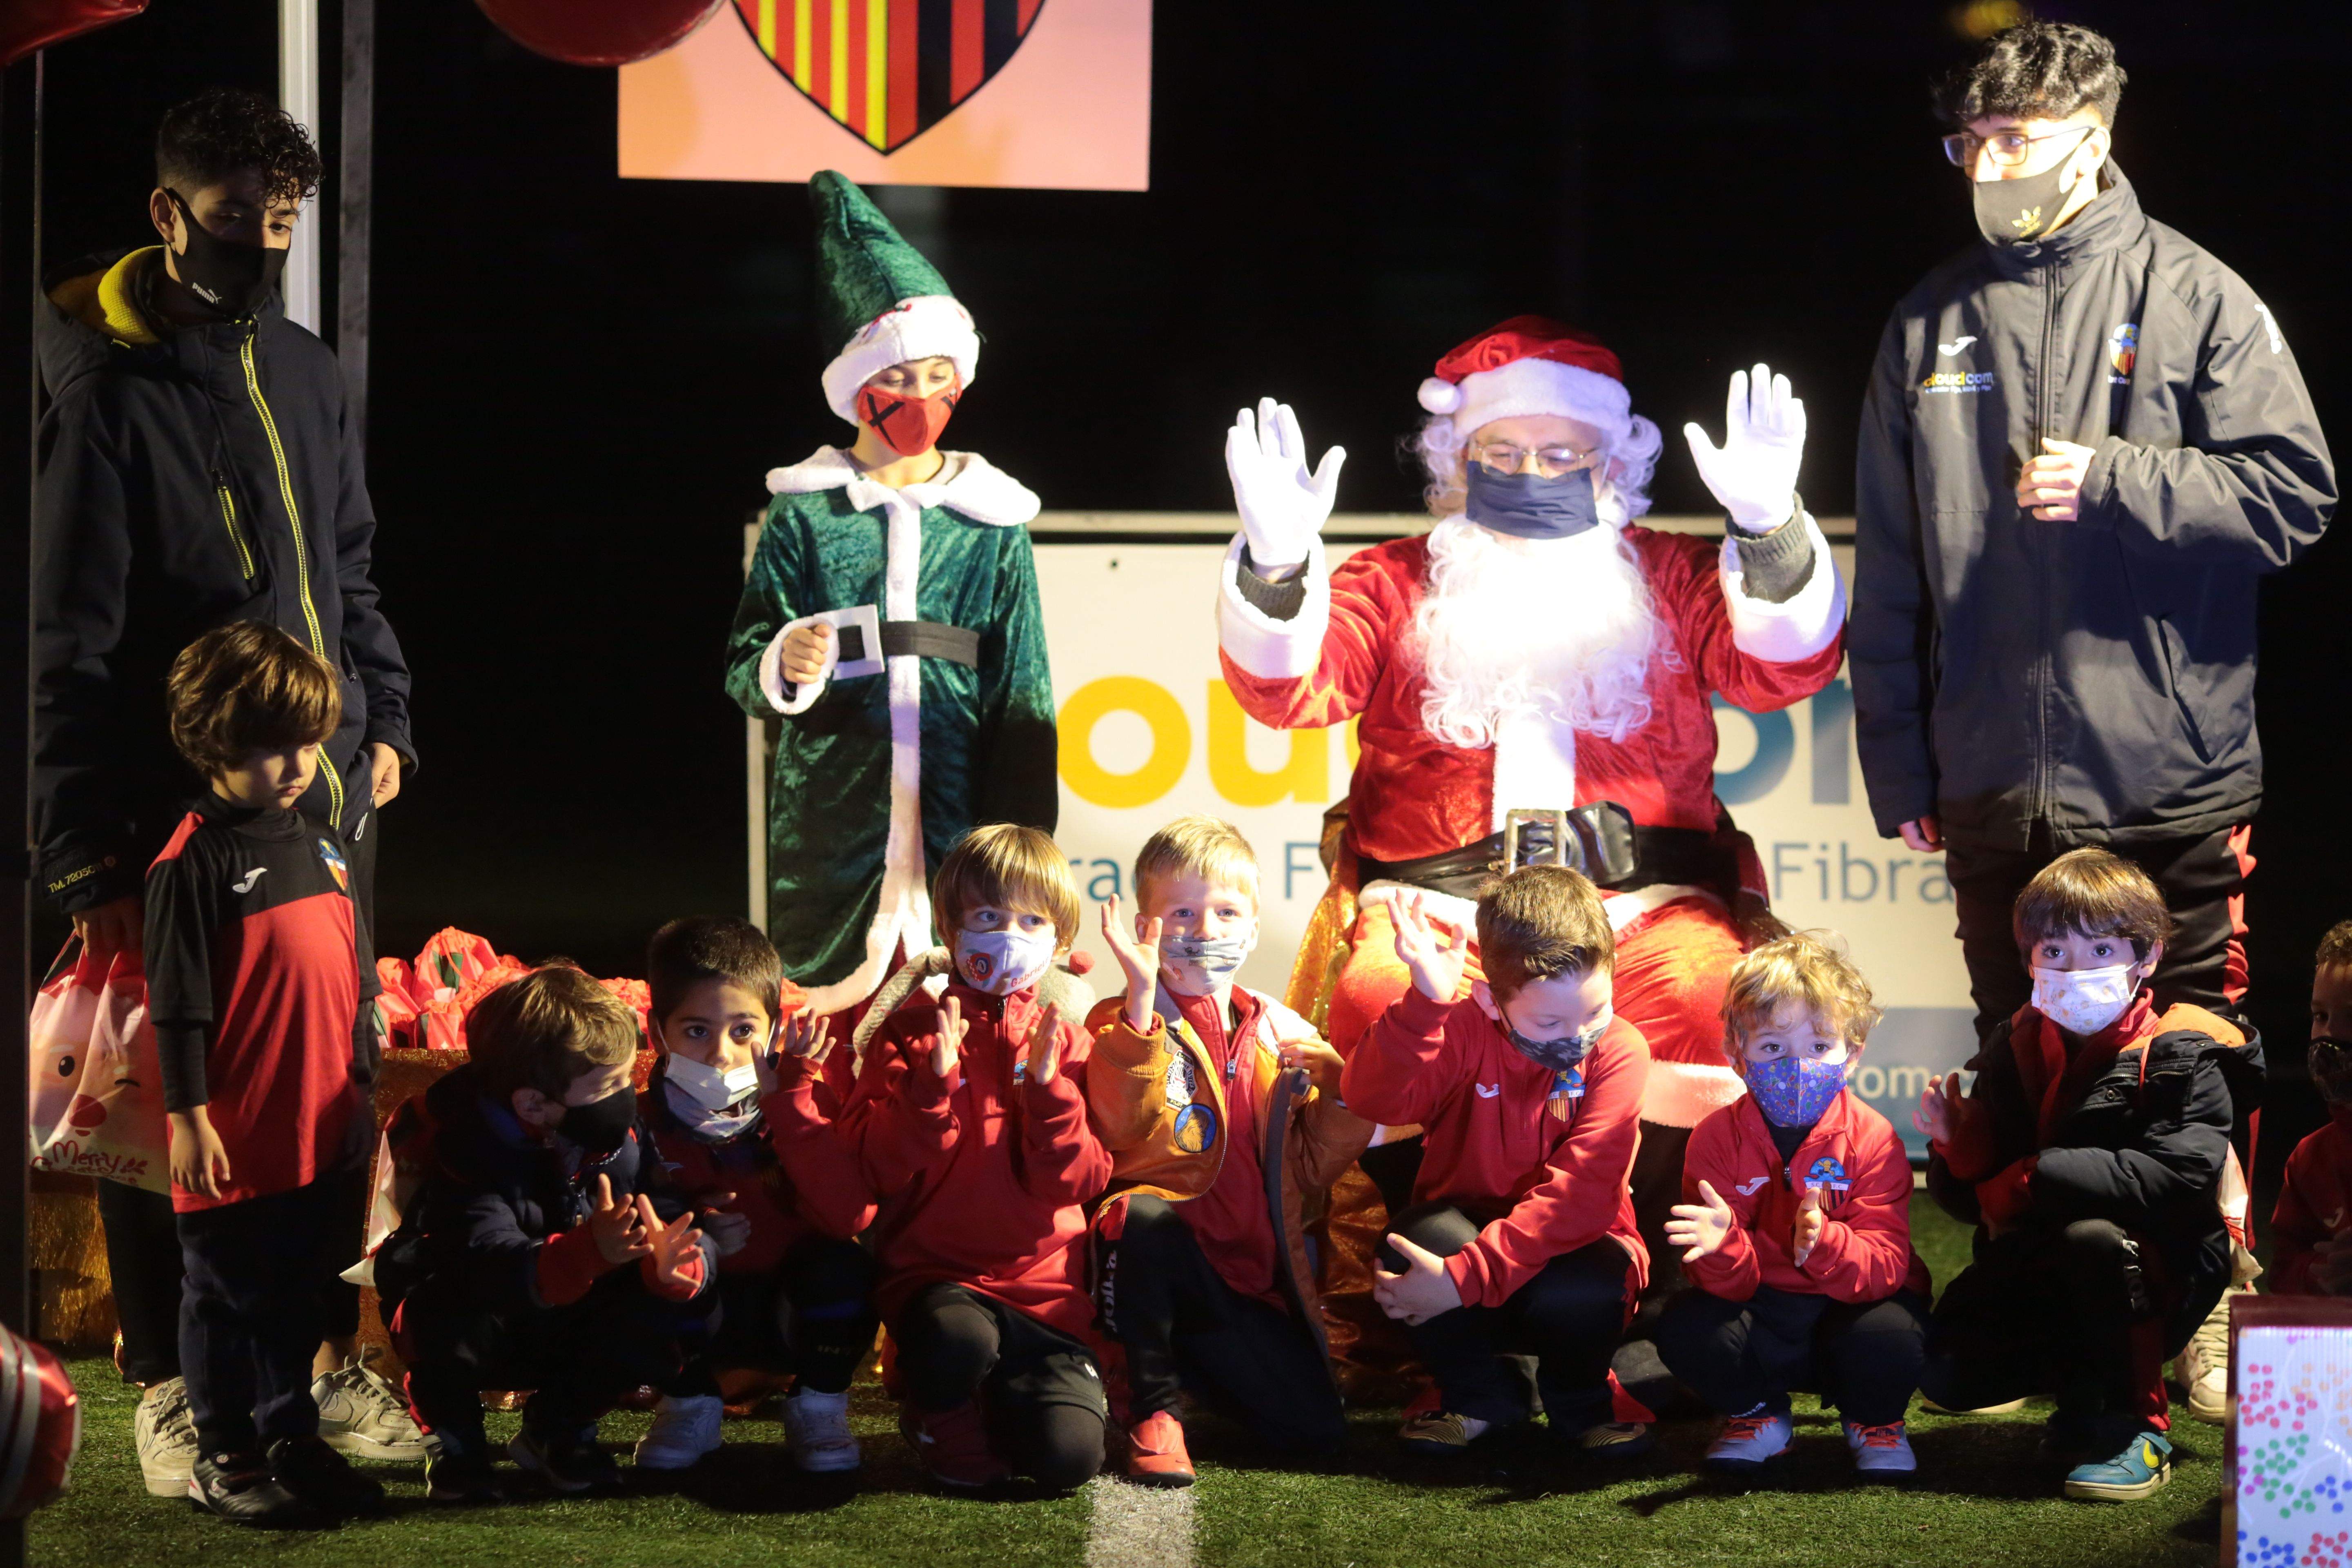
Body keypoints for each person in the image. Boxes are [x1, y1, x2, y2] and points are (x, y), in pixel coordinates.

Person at [1214, 319, 1845, 1313]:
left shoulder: (1670, 574)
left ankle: (1670, 1291)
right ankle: (1421, 1299)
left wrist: (1766, 525)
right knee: (1384, 1002)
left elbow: (1782, 668)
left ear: (1611, 463)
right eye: (1498, 454)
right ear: (1454, 460)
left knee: (1706, 999)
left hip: (1642, 903)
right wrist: (1274, 560)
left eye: (1561, 455)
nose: (1530, 473)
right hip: (1441, 907)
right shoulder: (1391, 580)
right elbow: (1283, 693)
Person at [34, 87, 420, 1494]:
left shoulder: (308, 371)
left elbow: (352, 566)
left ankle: (313, 1365)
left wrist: (382, 721)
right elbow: (64, 649)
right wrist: (87, 862)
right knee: (168, 1103)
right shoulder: (106, 395)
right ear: (165, 211)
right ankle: (169, 1385)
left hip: (321, 814)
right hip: (176, 823)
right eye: (236, 215)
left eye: (283, 217)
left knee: (320, 1089)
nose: (263, 241)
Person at [1851, 19, 2335, 1040]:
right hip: (1986, 784)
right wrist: (1898, 764)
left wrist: (2115, 480)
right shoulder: (1926, 320)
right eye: (1966, 142)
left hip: (2167, 785)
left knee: (2189, 1070)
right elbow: (1890, 567)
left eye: (2010, 138)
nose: (1983, 164)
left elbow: (2293, 493)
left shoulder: (2201, 296)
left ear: (2089, 138)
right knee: (2014, 1067)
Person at [727, 170, 1056, 1020]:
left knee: (962, 1014)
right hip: (834, 827)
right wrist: (780, 661)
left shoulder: (991, 522)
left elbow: (1024, 691)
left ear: (962, 381)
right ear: (859, 385)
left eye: (936, 374)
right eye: (897, 377)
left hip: (960, 819)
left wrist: (1024, 844)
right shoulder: (807, 512)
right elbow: (742, 662)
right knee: (824, 1018)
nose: (916, 397)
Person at [1914, 849, 2259, 1502]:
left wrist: (2033, 1174)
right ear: (2029, 959)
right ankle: (2080, 1405)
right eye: (2055, 953)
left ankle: (2140, 1425)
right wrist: (1959, 1150)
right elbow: (1973, 1204)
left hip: (2164, 1268)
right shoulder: (2014, 1042)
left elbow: (2177, 1180)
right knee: (1949, 1375)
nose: (2076, 972)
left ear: (2148, 956)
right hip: (2049, 1259)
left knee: (2093, 1240)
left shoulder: (2187, 1050)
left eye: (2101, 952)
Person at [146, 623, 389, 1526]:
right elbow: (178, 1005)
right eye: (269, 749)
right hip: (237, 1134)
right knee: (224, 1295)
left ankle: (291, 1436)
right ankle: (226, 1453)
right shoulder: (192, 860)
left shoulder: (321, 839)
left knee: (299, 1290)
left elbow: (353, 972)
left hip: (321, 1125)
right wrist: (189, 1117)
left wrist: (360, 1083)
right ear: (214, 743)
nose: (294, 765)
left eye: (307, 743)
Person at [1084, 816, 1374, 1484]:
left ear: (1252, 921)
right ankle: (1152, 1402)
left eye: (1225, 911)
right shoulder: (1117, 1021)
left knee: (1315, 1432)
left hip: (1241, 1286)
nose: (1205, 929)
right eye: (1181, 911)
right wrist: (1138, 1007)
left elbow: (1307, 1170)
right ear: (1144, 925)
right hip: (1147, 1269)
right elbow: (1120, 1129)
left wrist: (1339, 1092)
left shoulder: (1281, 1028)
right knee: (1144, 1217)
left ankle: (1193, 1374)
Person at [374, 968, 718, 1503]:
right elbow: (484, 1264)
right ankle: (458, 1444)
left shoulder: (618, 1138)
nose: (626, 1096)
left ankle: (558, 1430)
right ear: (533, 1104)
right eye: (608, 1086)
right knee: (439, 1315)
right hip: (484, 1320)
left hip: (566, 1311)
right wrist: (586, 1254)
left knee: (673, 1312)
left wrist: (680, 1262)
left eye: (627, 1078)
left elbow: (667, 1205)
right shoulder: (467, 1151)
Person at [1342, 865, 1650, 1457]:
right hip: (1464, 1248)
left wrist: (1464, 1279)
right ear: (1489, 999)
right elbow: (1371, 1101)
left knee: (1590, 1282)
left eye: (1595, 1011)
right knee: (1413, 1242)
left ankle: (1582, 1405)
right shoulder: (1459, 1028)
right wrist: (1423, 1008)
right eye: (1548, 1022)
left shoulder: (1622, 1050)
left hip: (1565, 1255)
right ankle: (1477, 1397)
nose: (1577, 1036)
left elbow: (1581, 1195)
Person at [842, 825, 1111, 1491]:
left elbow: (1081, 1181)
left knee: (1067, 1461)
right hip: (942, 1286)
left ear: (1057, 939)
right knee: (958, 1341)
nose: (1008, 936)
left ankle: (997, 1394)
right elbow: (877, 1171)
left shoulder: (1069, 1039)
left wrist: (1049, 1097)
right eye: (988, 917)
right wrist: (929, 1091)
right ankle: (938, 1415)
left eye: (1030, 920)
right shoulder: (908, 1035)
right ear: (952, 929)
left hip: (1044, 1297)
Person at [1655, 934, 1931, 1478]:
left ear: (1852, 1055)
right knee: (1686, 1325)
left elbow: (1885, 1271)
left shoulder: (1874, 1138)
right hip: (1763, 1309)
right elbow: (1726, 1286)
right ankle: (1759, 1419)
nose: (1798, 1067)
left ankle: (1874, 1421)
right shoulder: (1714, 1137)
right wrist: (1724, 1245)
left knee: (1893, 1332)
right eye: (1773, 1048)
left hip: (1845, 1314)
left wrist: (1826, 1243)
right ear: (1737, 1053)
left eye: (1820, 1046)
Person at [631, 916, 879, 1474]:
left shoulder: (807, 1105)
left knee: (845, 1265)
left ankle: (818, 1405)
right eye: (696, 1030)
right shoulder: (639, 1124)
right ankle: (688, 1405)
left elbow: (848, 1219)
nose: (722, 1053)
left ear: (772, 1030)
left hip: (787, 1321)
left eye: (743, 1031)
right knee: (657, 1265)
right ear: (656, 1033)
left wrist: (791, 1113)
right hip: (692, 1328)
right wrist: (689, 1234)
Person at [2267, 921, 2352, 1296]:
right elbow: (2284, 1269)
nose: (2329, 1036)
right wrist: (2323, 1273)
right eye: (2321, 1016)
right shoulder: (2311, 1160)